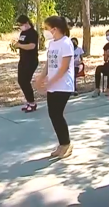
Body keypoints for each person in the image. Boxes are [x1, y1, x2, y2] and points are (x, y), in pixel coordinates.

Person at [36, 16, 74, 159]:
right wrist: (41, 76)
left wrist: (50, 82)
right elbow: (49, 63)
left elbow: (64, 67)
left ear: (55, 29)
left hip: (63, 85)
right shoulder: (52, 44)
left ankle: (66, 144)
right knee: (53, 115)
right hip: (53, 85)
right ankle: (62, 143)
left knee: (57, 114)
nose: (45, 31)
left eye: (46, 28)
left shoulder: (66, 43)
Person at [14, 15, 39, 113]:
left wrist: (20, 45)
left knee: (25, 81)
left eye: (21, 24)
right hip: (23, 60)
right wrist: (16, 45)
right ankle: (29, 102)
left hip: (31, 61)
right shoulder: (22, 33)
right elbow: (21, 43)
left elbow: (32, 46)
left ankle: (32, 103)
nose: (21, 26)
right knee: (21, 81)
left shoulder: (33, 33)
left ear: (27, 23)